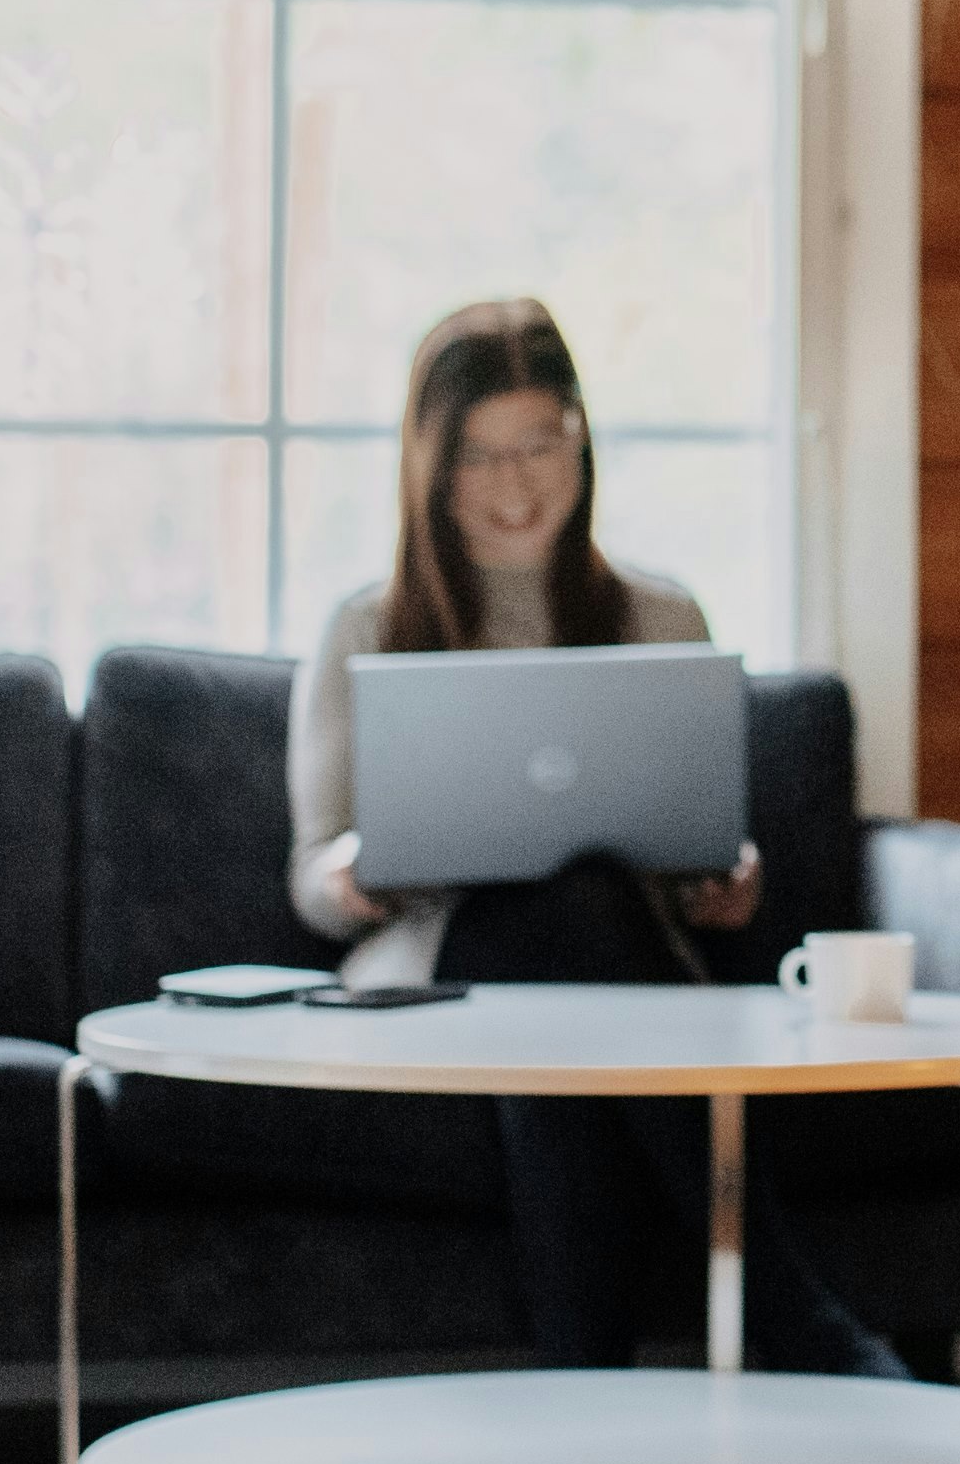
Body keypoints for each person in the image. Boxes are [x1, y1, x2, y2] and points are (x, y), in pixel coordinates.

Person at [284, 296, 897, 1375]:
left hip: (608, 970)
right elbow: (312, 871)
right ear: (429, 466)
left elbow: (700, 839)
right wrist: (351, 876)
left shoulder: (661, 617)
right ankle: (793, 1311)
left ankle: (586, 1400)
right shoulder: (365, 627)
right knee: (560, 923)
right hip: (430, 975)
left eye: (538, 445)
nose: (514, 487)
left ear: (580, 440)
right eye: (479, 457)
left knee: (575, 942)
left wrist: (727, 881)